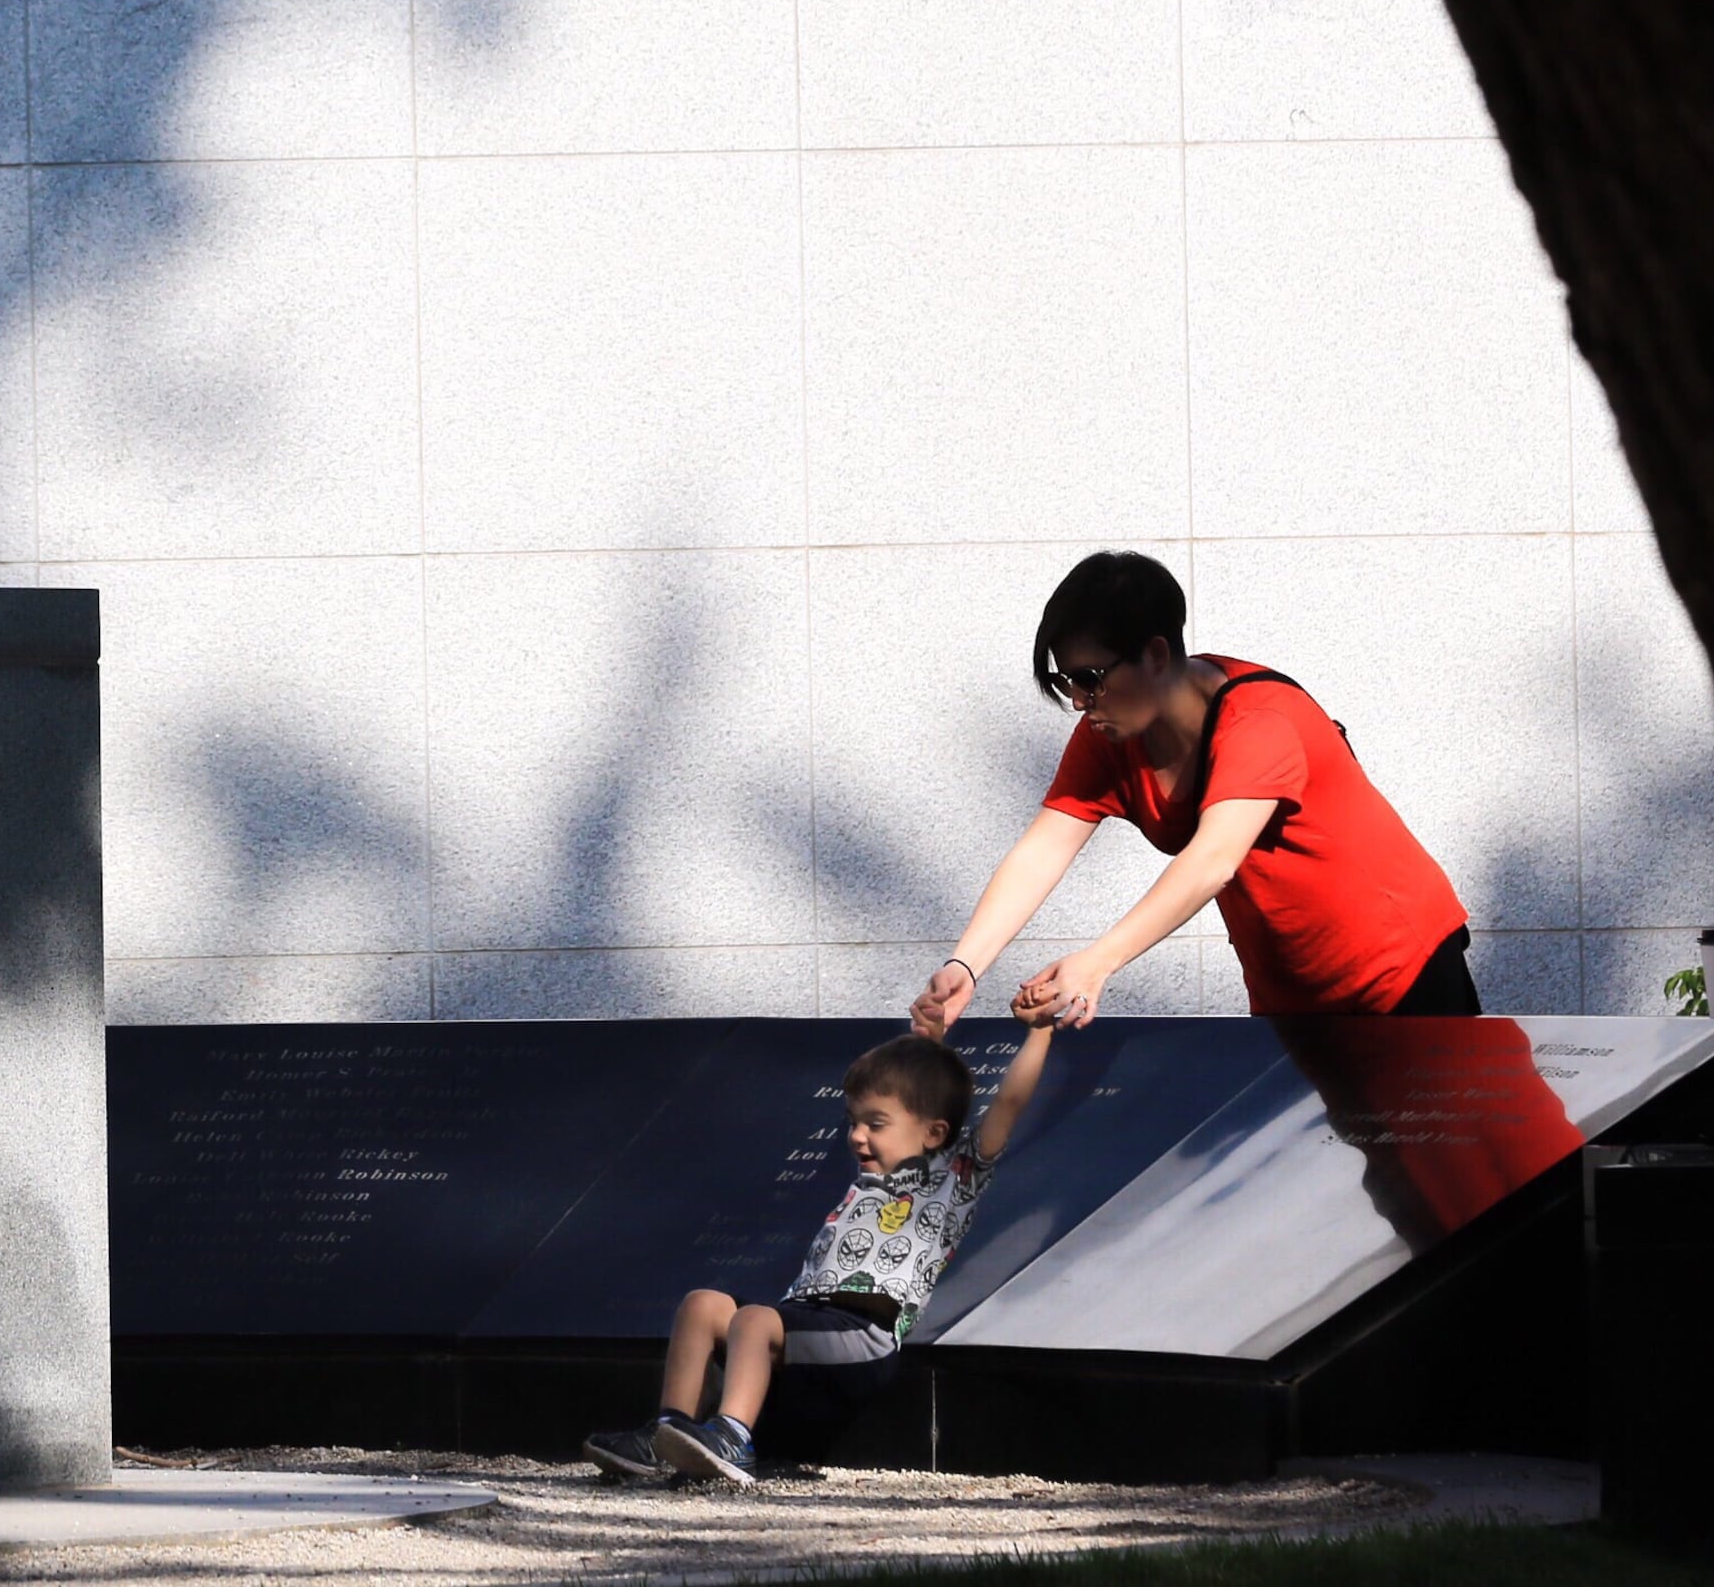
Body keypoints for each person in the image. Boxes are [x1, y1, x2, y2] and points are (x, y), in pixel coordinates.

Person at [909, 551, 1479, 1040]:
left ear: (1156, 654)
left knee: (1477, 1161)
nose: (1080, 701)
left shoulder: (1260, 719)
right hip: (1294, 997)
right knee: (1354, 1167)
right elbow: (1044, 849)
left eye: (1091, 678)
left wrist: (1097, 963)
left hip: (1403, 970)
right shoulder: (1111, 734)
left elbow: (1211, 861)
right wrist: (966, 964)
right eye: (1066, 683)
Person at [585, 1020, 1056, 1487]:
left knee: (753, 1319)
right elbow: (906, 1088)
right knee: (702, 1303)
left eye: (875, 1124)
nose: (856, 1135)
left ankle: (732, 1437)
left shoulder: (955, 1179)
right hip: (807, 1322)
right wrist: (921, 1041)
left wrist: (1040, 1033)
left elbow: (1010, 1103)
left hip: (866, 1335)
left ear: (934, 1133)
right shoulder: (869, 1180)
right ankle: (666, 1434)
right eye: (854, 1121)